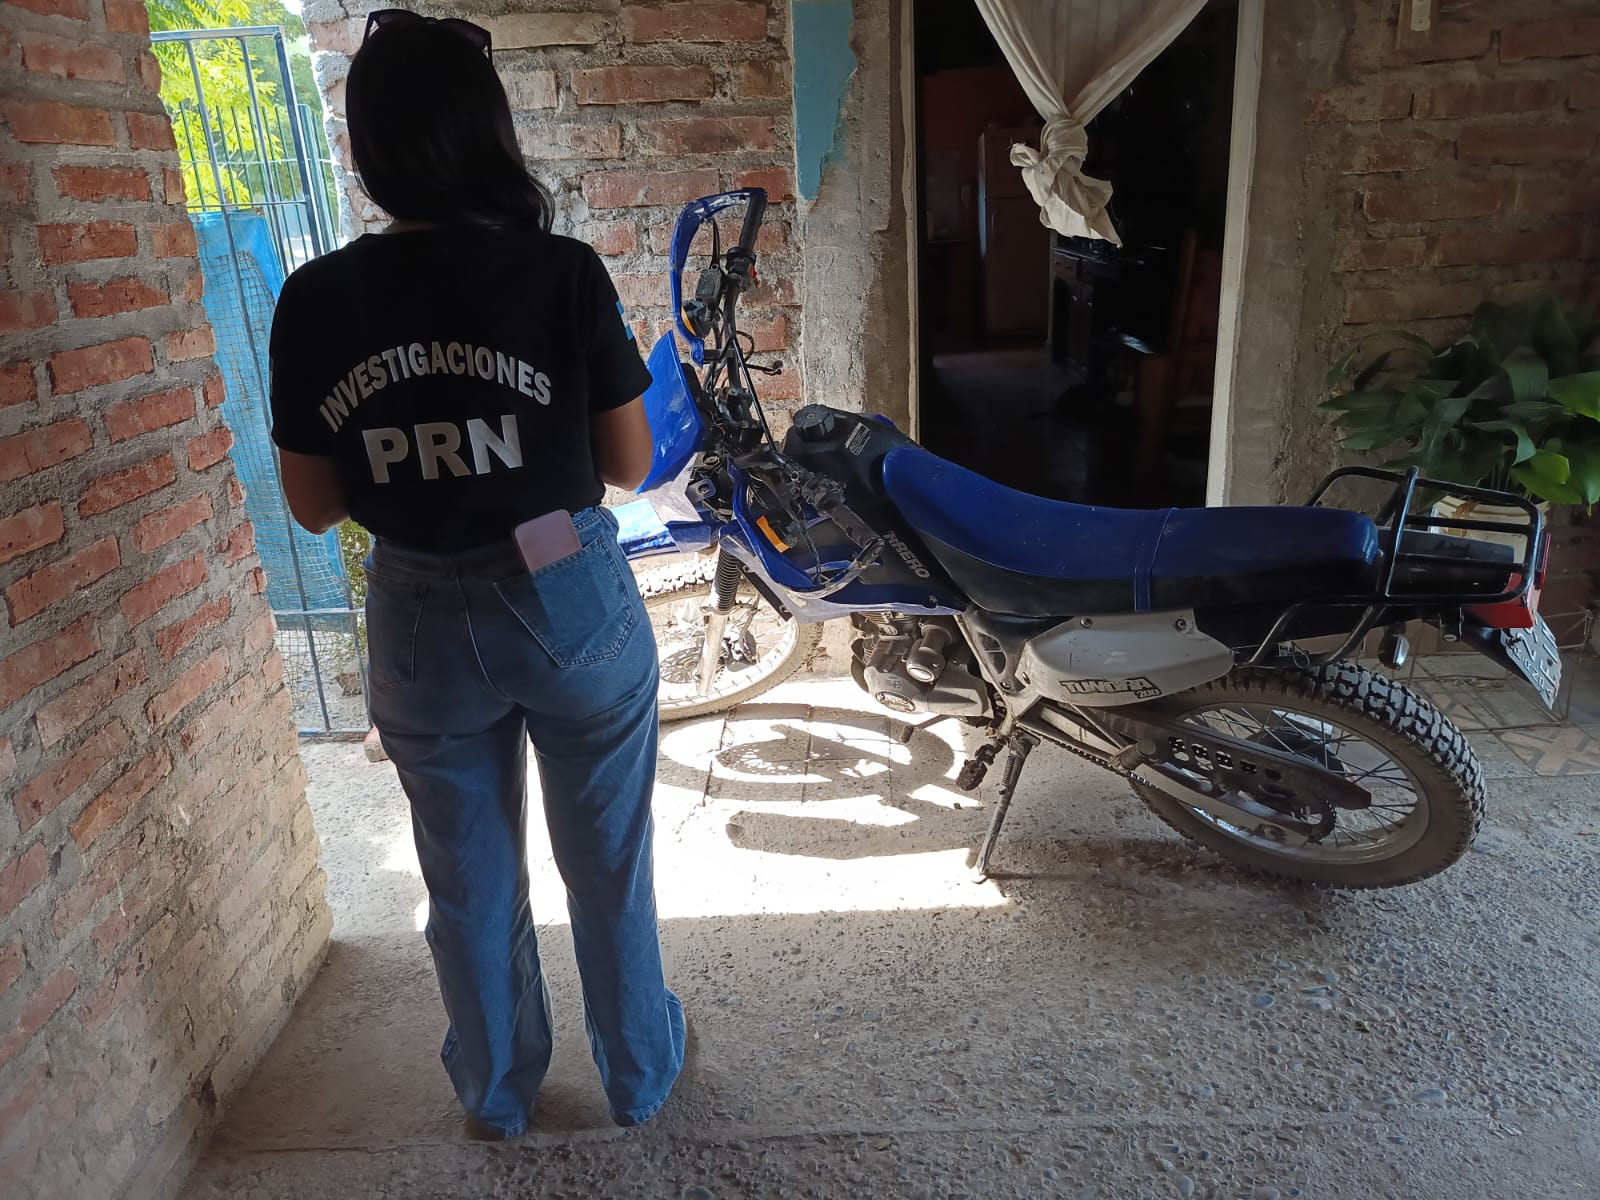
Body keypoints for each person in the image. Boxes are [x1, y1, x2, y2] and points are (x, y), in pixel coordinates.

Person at [266, 8, 684, 1139]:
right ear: (489, 130)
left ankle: (497, 1095)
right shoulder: (560, 273)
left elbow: (312, 506)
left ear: (366, 146)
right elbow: (629, 464)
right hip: (565, 592)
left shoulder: (314, 299)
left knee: (466, 881)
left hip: (416, 607)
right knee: (608, 863)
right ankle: (639, 1075)